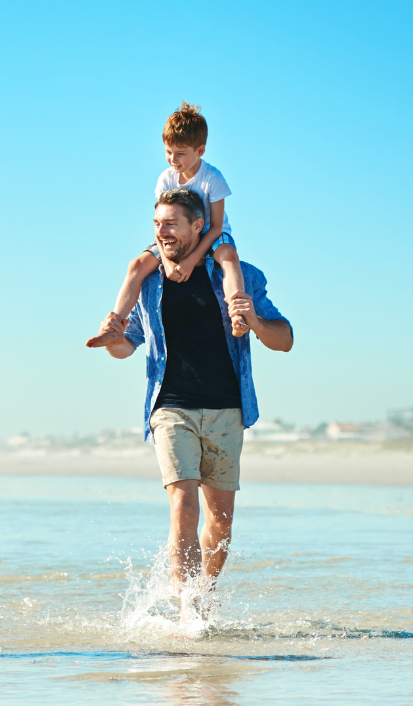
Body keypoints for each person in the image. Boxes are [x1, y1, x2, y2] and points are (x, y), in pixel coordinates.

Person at [97, 189, 293, 623]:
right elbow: (128, 346)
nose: (161, 233)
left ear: (197, 226)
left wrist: (255, 321)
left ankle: (205, 594)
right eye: (156, 225)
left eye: (170, 224)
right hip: (171, 407)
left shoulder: (237, 274)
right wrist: (114, 341)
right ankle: (188, 608)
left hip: (227, 407)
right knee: (183, 504)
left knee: (220, 521)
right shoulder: (149, 282)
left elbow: (285, 340)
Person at [88, 102, 249, 348]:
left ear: (201, 150)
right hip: (175, 235)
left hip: (209, 235)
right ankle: (115, 324)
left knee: (228, 256)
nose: (173, 159)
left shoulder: (213, 179)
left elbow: (216, 226)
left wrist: (190, 259)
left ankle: (237, 315)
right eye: (168, 151)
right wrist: (168, 260)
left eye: (181, 153)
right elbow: (161, 224)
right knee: (137, 264)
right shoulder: (166, 178)